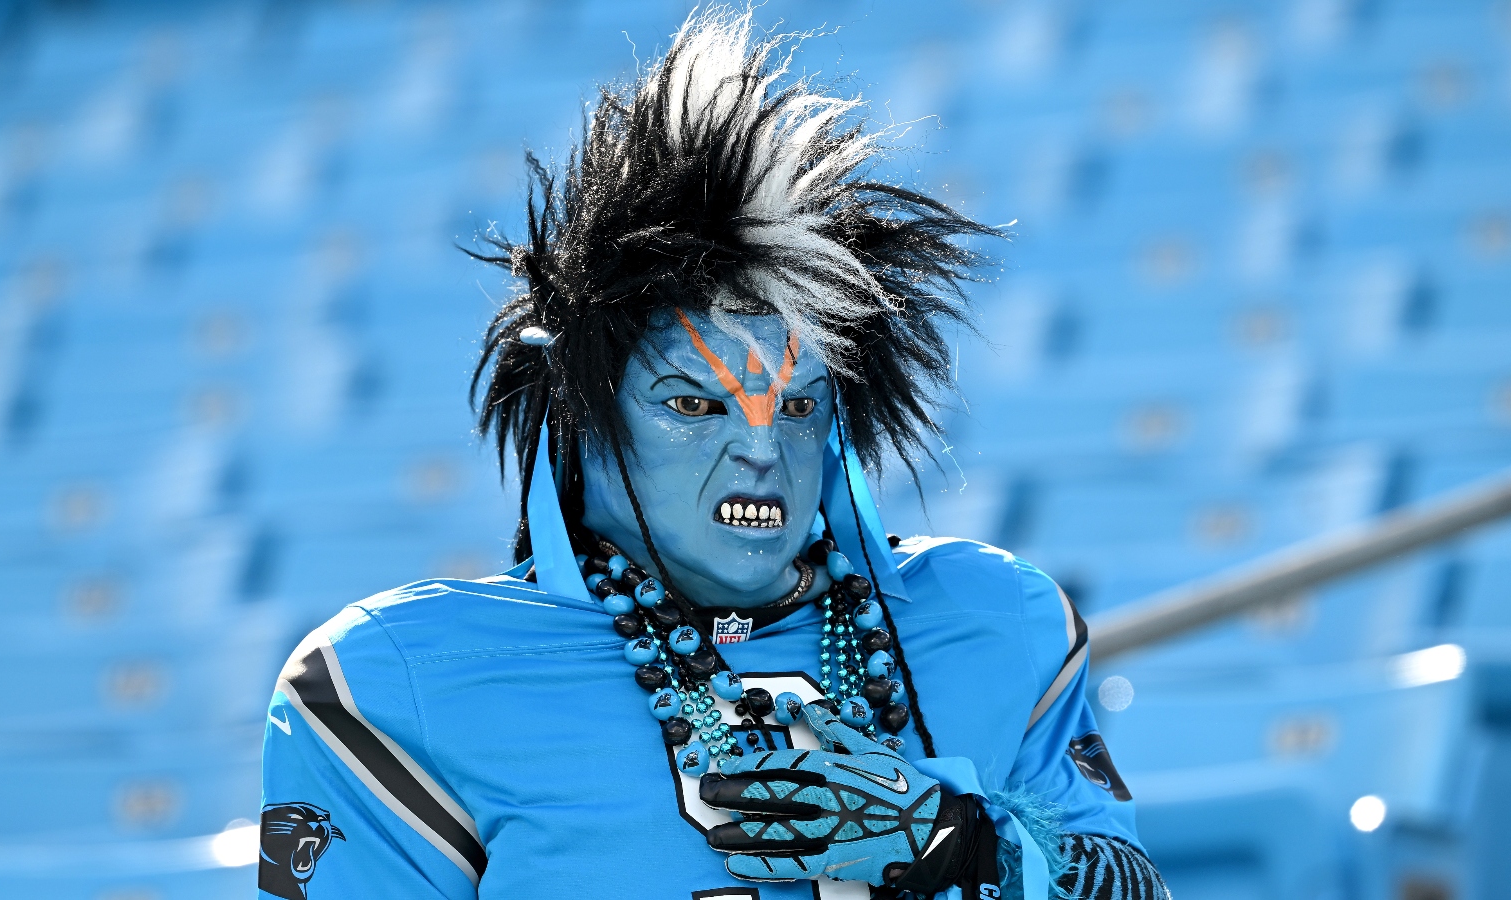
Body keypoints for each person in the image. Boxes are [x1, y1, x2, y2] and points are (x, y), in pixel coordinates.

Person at [259, 8, 1168, 900]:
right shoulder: (396, 682)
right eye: (694, 404)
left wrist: (964, 847)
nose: (761, 453)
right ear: (580, 416)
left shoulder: (997, 619)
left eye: (802, 405)